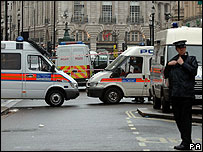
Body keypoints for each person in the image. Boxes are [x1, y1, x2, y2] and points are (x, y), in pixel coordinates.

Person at [164, 40, 198, 150]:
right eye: (179, 48)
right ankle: (187, 141)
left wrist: (183, 64)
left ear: (185, 48)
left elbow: (193, 72)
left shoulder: (191, 59)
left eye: (183, 48)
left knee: (186, 119)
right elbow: (165, 75)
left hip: (186, 94)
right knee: (178, 118)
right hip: (175, 94)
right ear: (177, 49)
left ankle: (187, 142)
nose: (182, 49)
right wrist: (168, 66)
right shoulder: (173, 60)